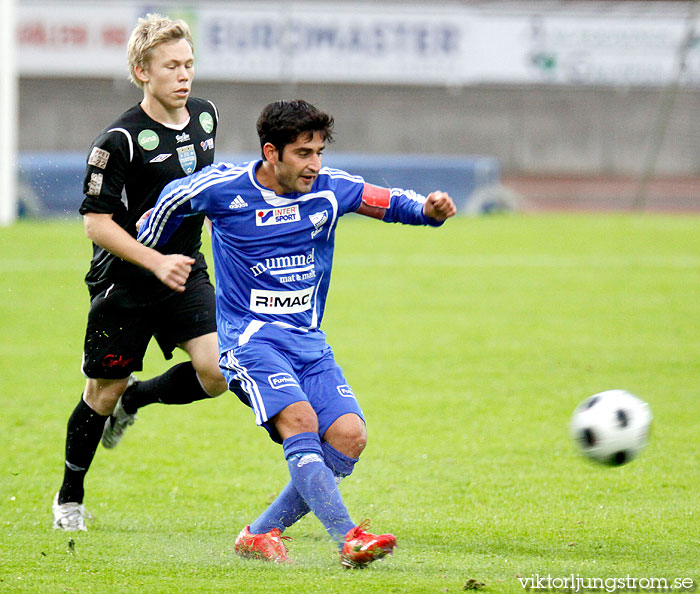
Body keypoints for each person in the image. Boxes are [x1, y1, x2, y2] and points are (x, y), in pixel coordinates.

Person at [137, 99, 457, 567]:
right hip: (250, 342)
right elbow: (167, 204)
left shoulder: (330, 190)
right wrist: (150, 254)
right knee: (301, 421)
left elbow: (389, 202)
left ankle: (260, 533)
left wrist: (429, 210)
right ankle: (348, 538)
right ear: (272, 152)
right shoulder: (224, 188)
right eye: (304, 153)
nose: (315, 164)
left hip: (308, 342)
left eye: (319, 152)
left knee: (349, 436)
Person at [52, 13, 229, 532]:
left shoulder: (206, 117)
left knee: (218, 372)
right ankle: (69, 497)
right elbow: (96, 224)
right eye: (171, 66)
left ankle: (141, 396)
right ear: (141, 71)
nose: (184, 76)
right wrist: (154, 260)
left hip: (185, 271)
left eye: (189, 64)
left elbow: (204, 189)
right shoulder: (118, 141)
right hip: (125, 281)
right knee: (100, 393)